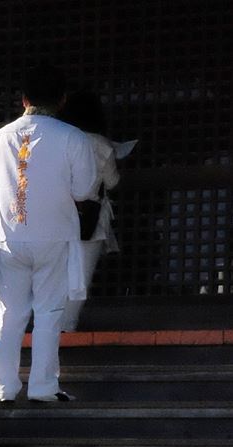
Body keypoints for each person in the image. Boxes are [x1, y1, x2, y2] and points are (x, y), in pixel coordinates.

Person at [0, 65, 97, 403]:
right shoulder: (73, 137)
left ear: (23, 99)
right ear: (62, 100)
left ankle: (3, 388)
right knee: (48, 313)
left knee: (10, 313)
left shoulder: (0, 137)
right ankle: (43, 387)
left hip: (10, 238)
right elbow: (85, 189)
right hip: (54, 236)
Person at [57, 91, 135, 331]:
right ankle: (67, 327)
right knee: (79, 278)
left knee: (51, 276)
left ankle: (45, 327)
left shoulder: (57, 139)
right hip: (88, 217)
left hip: (54, 215)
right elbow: (111, 182)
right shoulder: (100, 144)